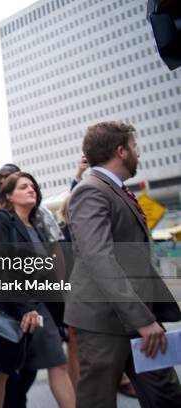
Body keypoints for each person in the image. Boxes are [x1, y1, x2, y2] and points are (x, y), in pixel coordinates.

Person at [64, 121, 181, 407]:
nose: (137, 153)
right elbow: (98, 259)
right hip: (103, 322)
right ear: (121, 151)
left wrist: (144, 317)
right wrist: (143, 320)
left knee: (166, 395)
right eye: (134, 147)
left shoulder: (113, 189)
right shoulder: (90, 190)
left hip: (136, 316)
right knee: (98, 400)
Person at [0, 172, 75, 408]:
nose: (31, 189)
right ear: (9, 196)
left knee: (58, 363)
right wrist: (25, 309)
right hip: (8, 307)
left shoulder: (37, 227)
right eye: (23, 187)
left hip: (38, 306)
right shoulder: (0, 220)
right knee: (1, 372)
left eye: (33, 186)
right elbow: (1, 265)